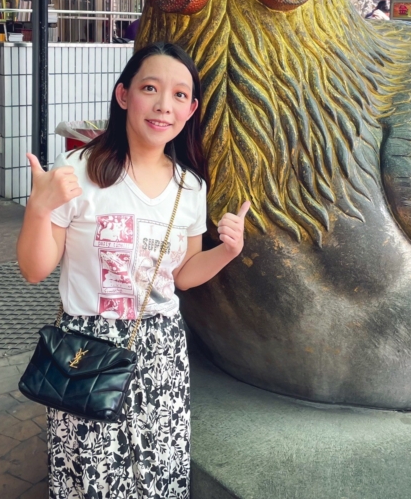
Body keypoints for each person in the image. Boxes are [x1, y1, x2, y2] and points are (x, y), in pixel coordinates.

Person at [17, 41, 250, 498]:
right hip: (87, 348)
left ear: (191, 109)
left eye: (180, 95)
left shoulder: (190, 186)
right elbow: (34, 269)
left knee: (159, 472)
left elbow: (181, 275)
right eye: (151, 88)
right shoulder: (78, 170)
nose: (165, 105)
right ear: (124, 95)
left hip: (161, 351)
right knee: (90, 476)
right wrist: (38, 209)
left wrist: (226, 251)